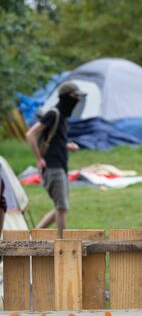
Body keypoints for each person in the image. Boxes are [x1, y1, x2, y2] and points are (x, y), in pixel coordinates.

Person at [25, 82, 84, 235]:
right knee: (62, 207)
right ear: (67, 98)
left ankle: (34, 234)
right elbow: (30, 134)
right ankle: (63, 245)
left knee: (62, 206)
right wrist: (39, 159)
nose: (78, 100)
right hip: (52, 167)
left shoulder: (63, 117)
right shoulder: (53, 114)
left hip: (61, 166)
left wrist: (66, 145)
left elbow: (54, 140)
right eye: (75, 97)